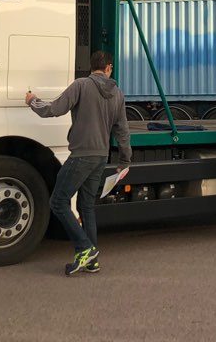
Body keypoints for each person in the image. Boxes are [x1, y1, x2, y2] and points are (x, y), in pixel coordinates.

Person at [25, 50, 132, 275]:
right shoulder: (118, 94)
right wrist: (125, 159)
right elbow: (122, 130)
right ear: (109, 68)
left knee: (57, 202)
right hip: (101, 156)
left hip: (82, 155)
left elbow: (53, 110)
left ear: (91, 67)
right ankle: (92, 260)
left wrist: (32, 101)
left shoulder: (81, 85)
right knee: (86, 206)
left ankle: (85, 248)